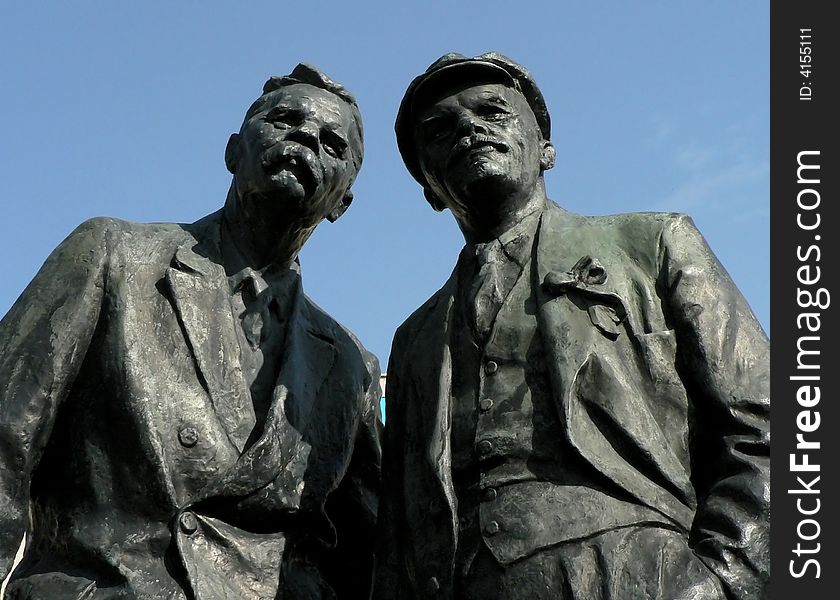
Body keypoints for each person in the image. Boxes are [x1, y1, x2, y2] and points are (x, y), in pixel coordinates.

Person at [373, 52, 769, 600]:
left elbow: (765, 424)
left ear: (547, 149)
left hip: (639, 577)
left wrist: (727, 581)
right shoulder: (413, 338)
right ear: (429, 189)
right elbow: (395, 532)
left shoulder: (652, 245)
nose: (469, 128)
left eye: (494, 111)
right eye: (439, 130)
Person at [0, 63, 381, 599]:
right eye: (285, 119)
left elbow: (365, 555)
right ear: (232, 151)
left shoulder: (349, 365)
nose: (305, 137)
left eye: (332, 143)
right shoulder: (113, 257)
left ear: (342, 202)